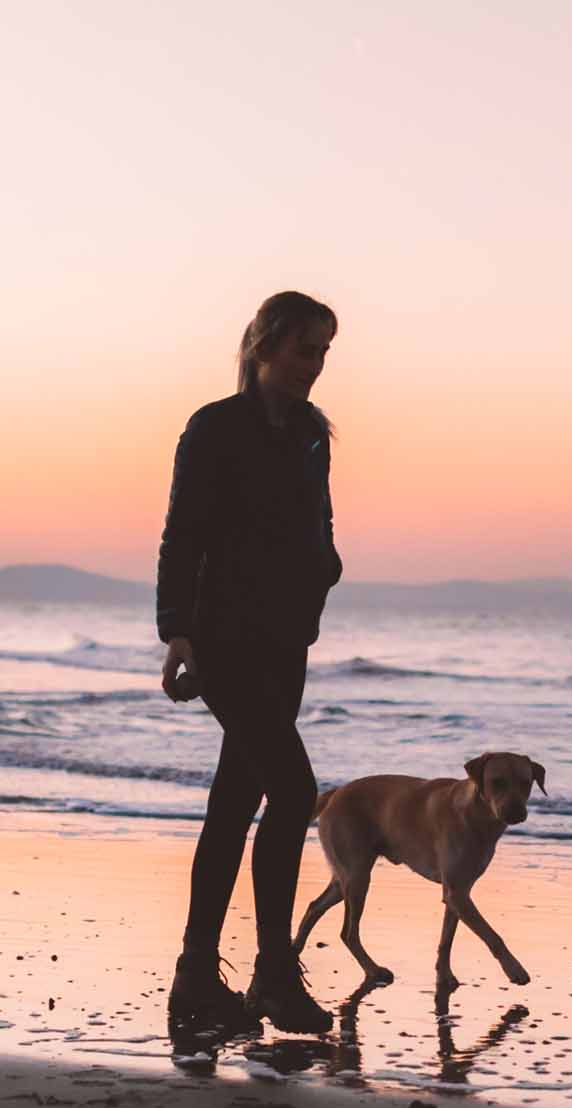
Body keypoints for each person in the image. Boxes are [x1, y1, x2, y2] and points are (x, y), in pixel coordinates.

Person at [156, 290, 343, 1042]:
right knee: (295, 791)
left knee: (236, 804)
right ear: (265, 345)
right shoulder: (214, 428)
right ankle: (269, 971)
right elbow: (183, 536)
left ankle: (198, 980)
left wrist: (325, 567)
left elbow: (317, 523)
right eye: (306, 350)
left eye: (326, 353)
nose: (315, 366)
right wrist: (177, 632)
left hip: (286, 642)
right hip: (224, 641)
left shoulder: (310, 434)